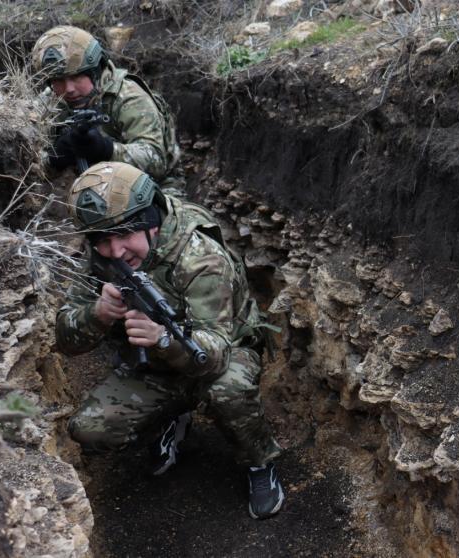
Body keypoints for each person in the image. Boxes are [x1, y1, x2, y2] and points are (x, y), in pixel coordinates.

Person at [55, 161, 283, 519]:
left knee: (227, 391)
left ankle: (259, 461)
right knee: (89, 429)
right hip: (155, 369)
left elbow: (218, 355)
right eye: (102, 241)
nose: (115, 252)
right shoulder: (99, 258)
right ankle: (172, 417)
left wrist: (163, 339)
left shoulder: (201, 258)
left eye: (125, 234)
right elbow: (65, 339)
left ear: (152, 221)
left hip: (221, 354)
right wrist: (98, 314)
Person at [31, 25, 183, 193]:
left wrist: (106, 149)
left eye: (76, 76)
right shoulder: (48, 103)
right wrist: (53, 159)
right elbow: (25, 169)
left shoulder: (128, 97)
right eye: (58, 80)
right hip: (84, 190)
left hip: (150, 189)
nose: (69, 89)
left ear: (95, 70)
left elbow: (156, 161)